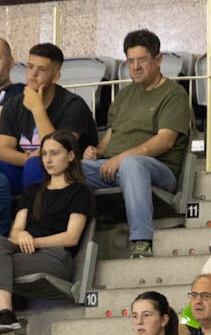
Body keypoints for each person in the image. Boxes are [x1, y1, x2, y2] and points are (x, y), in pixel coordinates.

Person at [79, 29, 190, 259]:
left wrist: (121, 158)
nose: (135, 67)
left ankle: (141, 242)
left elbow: (165, 141)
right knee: (66, 168)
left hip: (157, 169)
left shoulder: (174, 94)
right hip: (113, 166)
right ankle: (66, 241)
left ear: (158, 60)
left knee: (132, 164)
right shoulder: (124, 95)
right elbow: (112, 134)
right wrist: (96, 151)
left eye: (142, 60)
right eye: (130, 61)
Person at [0, 130, 94, 332]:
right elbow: (15, 232)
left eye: (55, 153)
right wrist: (21, 235)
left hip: (56, 257)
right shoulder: (32, 191)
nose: (48, 160)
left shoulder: (79, 191)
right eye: (44, 154)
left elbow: (71, 237)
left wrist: (35, 242)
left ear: (71, 156)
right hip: (26, 253)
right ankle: (2, 315)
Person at [0, 43, 101, 192]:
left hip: (64, 173)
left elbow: (57, 149)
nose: (33, 74)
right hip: (25, 167)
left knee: (35, 165)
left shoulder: (74, 105)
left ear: (55, 76)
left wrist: (37, 109)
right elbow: (2, 150)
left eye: (42, 69)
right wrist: (28, 158)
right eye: (30, 67)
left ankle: (35, 214)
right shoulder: (13, 104)